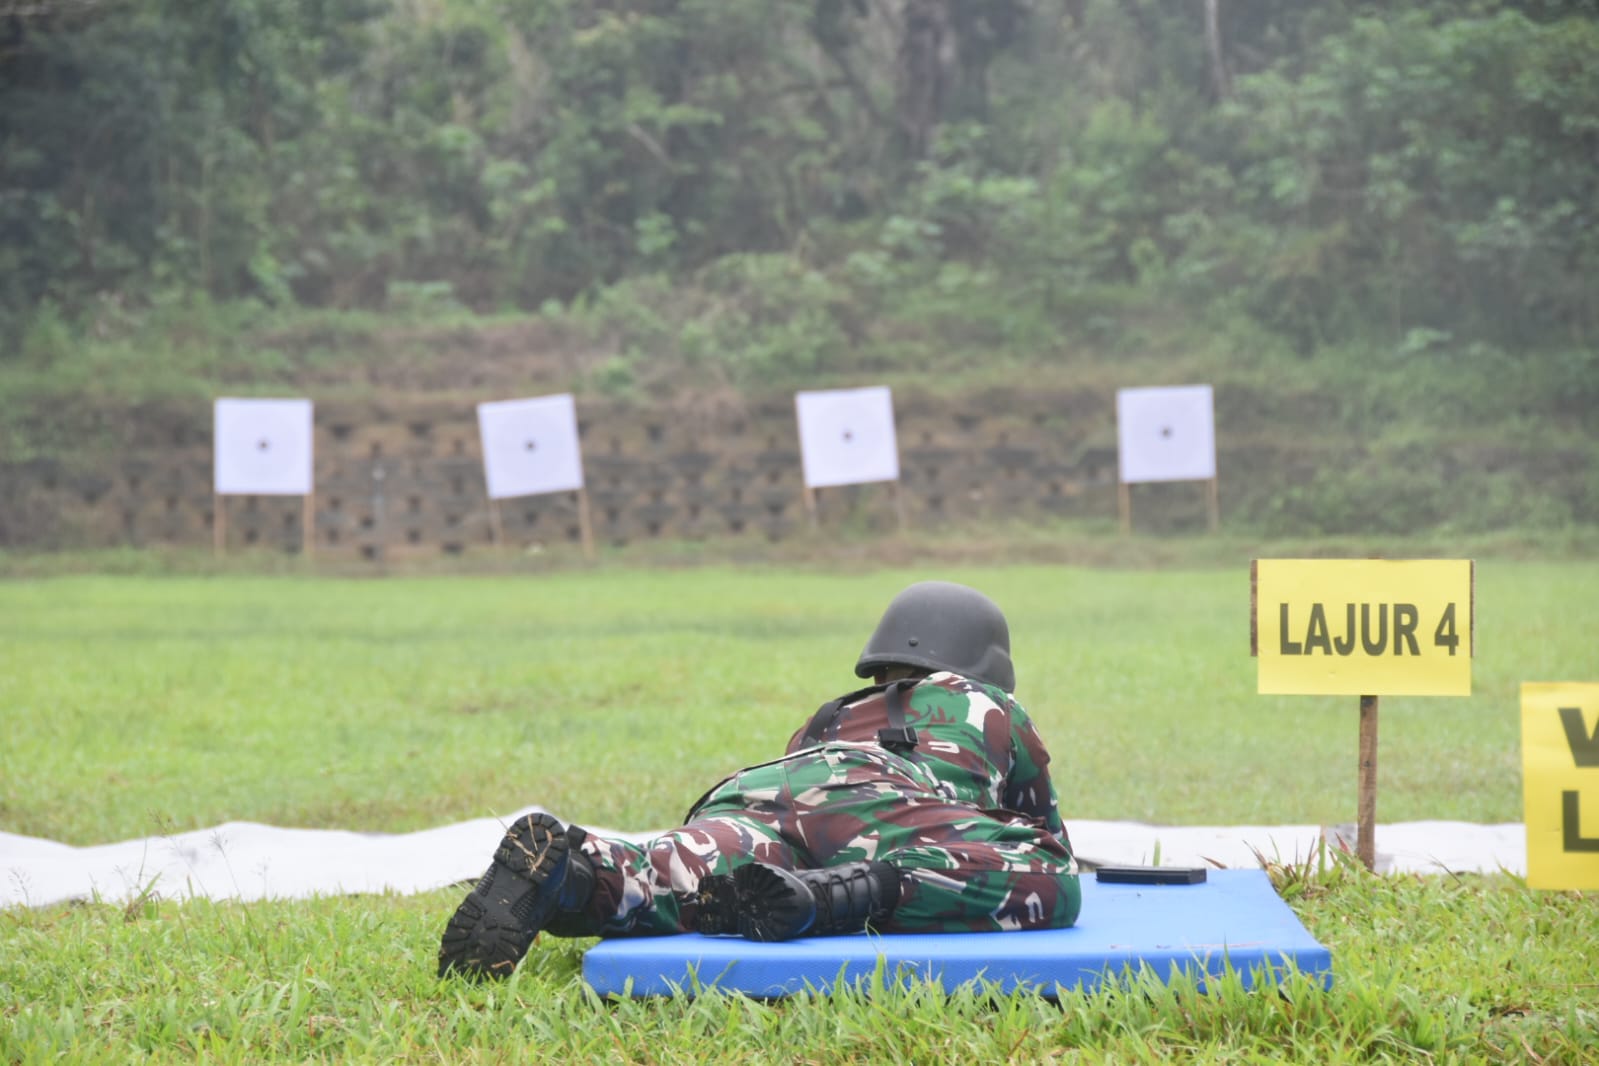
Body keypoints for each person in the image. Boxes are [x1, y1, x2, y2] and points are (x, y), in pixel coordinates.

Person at [438, 580, 1081, 979]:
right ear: (986, 661)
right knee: (1050, 877)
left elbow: (807, 803)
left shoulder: (833, 713)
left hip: (758, 791)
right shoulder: (987, 704)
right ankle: (834, 898)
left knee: (676, 872)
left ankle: (579, 874)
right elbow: (1039, 834)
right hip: (884, 795)